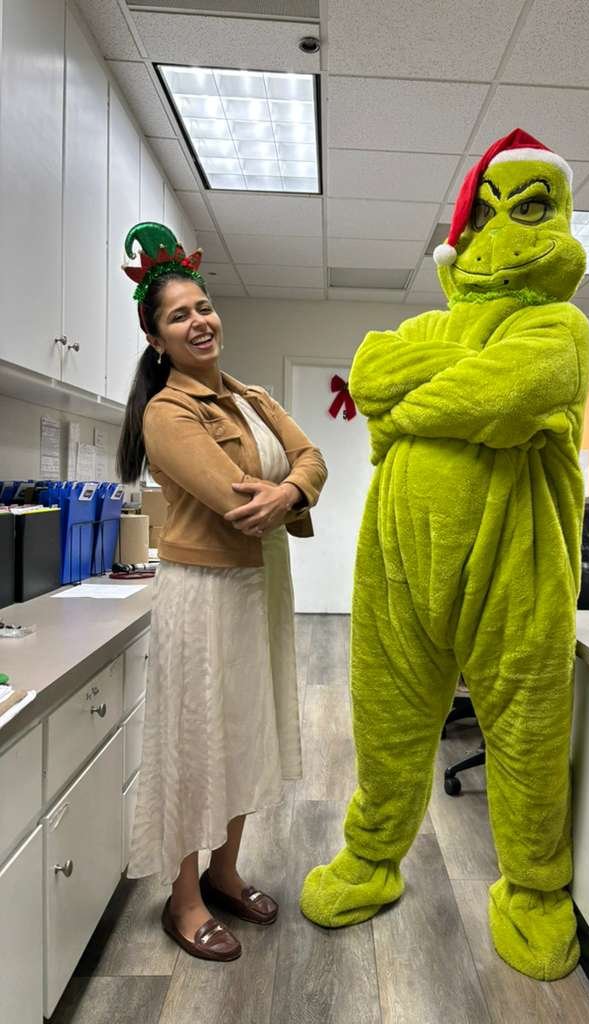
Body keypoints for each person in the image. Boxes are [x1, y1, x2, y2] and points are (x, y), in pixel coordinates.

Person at [300, 129, 589, 982]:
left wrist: (408, 408)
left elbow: (508, 392)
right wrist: (449, 385)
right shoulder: (426, 322)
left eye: (528, 209)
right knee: (385, 719)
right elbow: (370, 369)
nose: (500, 235)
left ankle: (533, 889)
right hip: (397, 561)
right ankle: (371, 858)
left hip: (517, 564)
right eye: (486, 215)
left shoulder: (561, 326)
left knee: (528, 729)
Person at [117, 222, 327, 962]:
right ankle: (183, 898)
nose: (199, 321)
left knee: (244, 734)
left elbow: (312, 457)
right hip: (203, 592)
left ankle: (225, 872)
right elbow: (234, 496)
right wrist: (287, 489)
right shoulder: (167, 412)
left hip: (260, 585)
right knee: (194, 743)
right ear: (158, 340)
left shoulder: (252, 396)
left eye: (203, 307)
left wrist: (291, 490)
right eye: (179, 316)